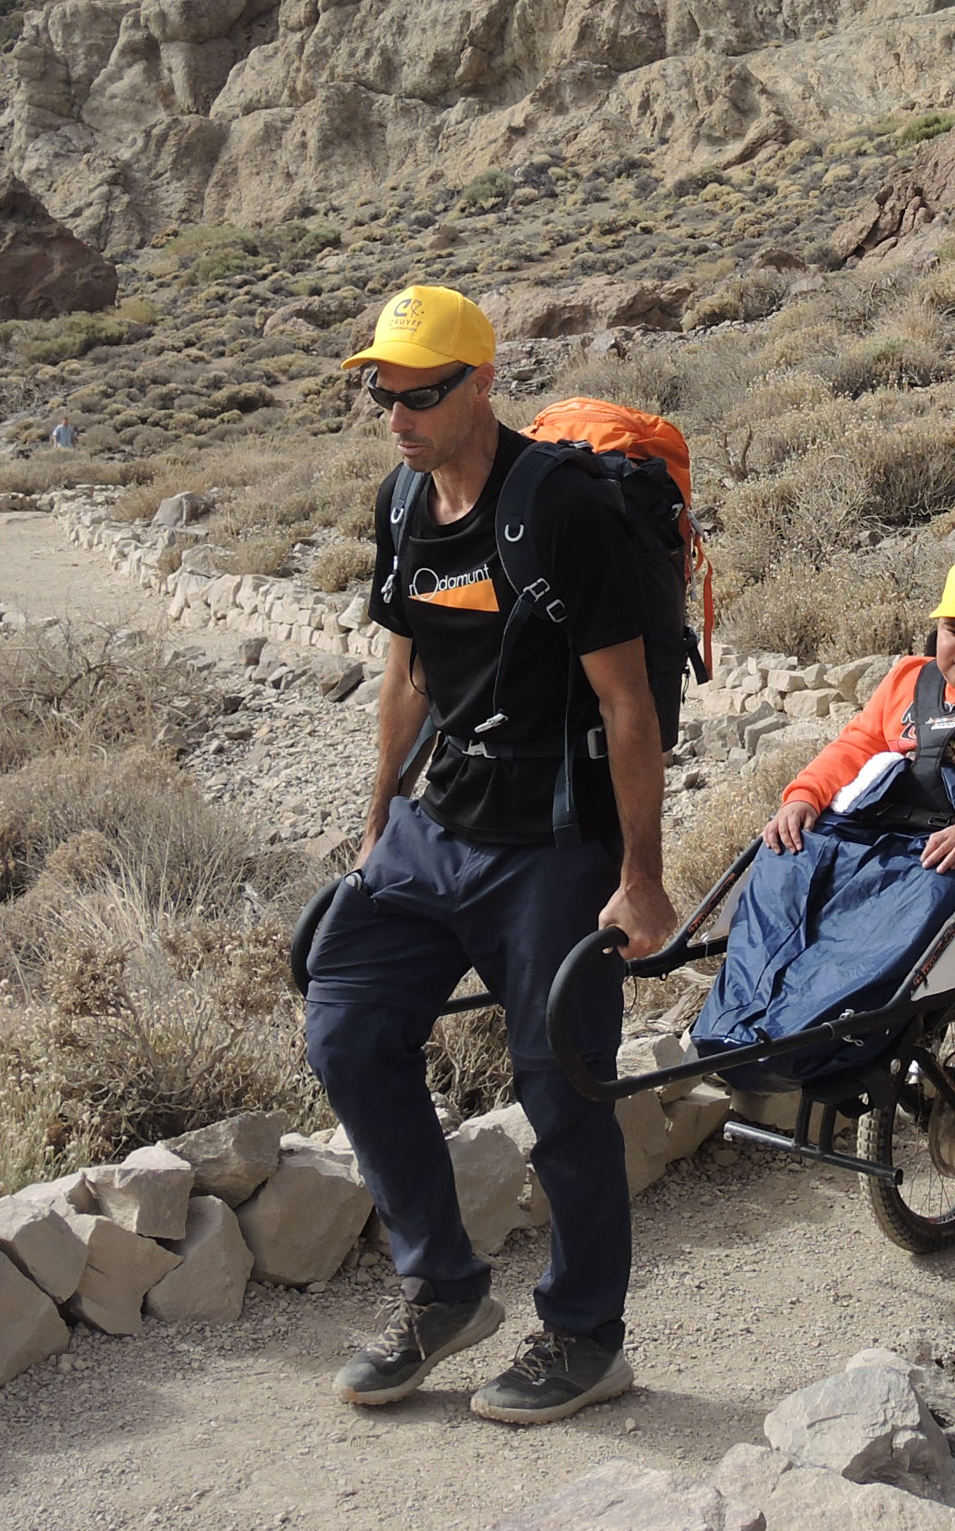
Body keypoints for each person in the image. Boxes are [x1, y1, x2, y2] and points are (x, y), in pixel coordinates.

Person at [297, 284, 673, 1427]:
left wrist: (640, 878)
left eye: (421, 394)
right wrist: (376, 823)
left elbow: (628, 706)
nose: (398, 416)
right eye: (383, 393)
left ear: (482, 384)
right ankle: (444, 1288)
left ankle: (585, 1337)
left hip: (554, 840)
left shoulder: (558, 507)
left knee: (562, 1086)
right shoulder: (404, 502)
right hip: (441, 823)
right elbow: (407, 674)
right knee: (346, 1021)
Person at [691, 558, 955, 1069]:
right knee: (784, 856)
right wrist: (803, 796)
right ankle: (735, 1025)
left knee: (885, 922)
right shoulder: (909, 679)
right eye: (954, 630)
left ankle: (806, 1040)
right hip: (871, 824)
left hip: (949, 842)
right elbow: (855, 745)